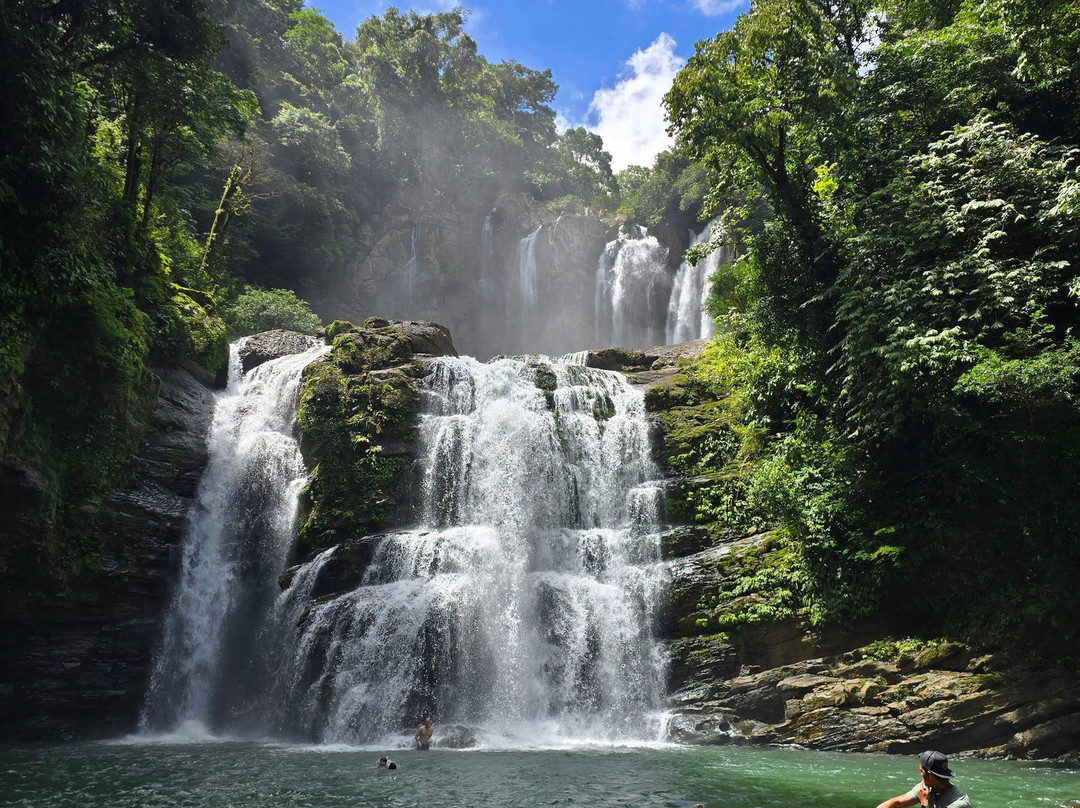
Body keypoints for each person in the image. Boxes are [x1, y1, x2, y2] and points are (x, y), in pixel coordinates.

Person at [876, 750, 972, 808]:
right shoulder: (927, 788)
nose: (920, 774)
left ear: (929, 775)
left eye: (921, 771)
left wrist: (924, 803)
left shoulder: (958, 804)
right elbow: (896, 803)